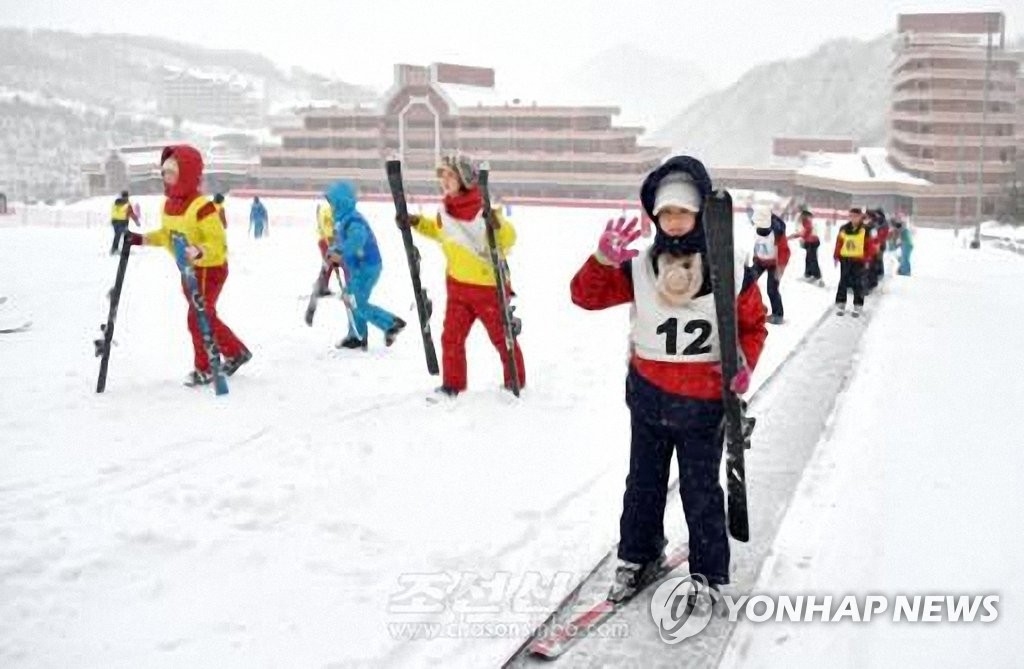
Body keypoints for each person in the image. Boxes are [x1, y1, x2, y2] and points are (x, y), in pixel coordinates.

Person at [569, 155, 768, 601]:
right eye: (666, 213)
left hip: (703, 405)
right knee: (642, 484)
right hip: (649, 399)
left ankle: (709, 574)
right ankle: (638, 556)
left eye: (683, 211)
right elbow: (584, 297)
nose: (675, 221)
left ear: (700, 212)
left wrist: (744, 364)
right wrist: (602, 259)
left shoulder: (730, 265)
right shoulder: (640, 266)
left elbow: (753, 325)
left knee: (701, 491)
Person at [398, 154, 526, 398]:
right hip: (457, 289)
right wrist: (415, 222)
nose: (444, 180)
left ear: (465, 179)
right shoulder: (445, 211)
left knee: (502, 339)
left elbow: (509, 239)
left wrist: (497, 225)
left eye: (450, 175)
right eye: (441, 175)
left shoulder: (483, 209)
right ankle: (452, 385)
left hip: (488, 290)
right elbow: (438, 232)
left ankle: (515, 382)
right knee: (451, 338)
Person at [125, 145, 252, 385]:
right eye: (164, 172)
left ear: (186, 172)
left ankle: (204, 368)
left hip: (210, 269)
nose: (166, 177)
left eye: (171, 171)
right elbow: (166, 235)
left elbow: (217, 243)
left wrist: (199, 250)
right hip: (188, 271)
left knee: (197, 318)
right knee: (204, 315)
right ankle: (236, 351)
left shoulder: (202, 207)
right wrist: (141, 239)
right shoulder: (169, 204)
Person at [323, 181, 405, 350]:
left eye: (332, 202)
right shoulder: (344, 219)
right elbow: (343, 242)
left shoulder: (353, 220)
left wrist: (340, 252)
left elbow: (357, 240)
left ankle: (391, 323)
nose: (331, 206)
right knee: (352, 298)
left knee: (355, 301)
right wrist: (334, 250)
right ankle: (357, 336)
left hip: (367, 266)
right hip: (359, 267)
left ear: (341, 201)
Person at [750, 205, 790, 324]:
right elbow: (758, 243)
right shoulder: (758, 229)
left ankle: (778, 314)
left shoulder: (777, 233)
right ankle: (756, 308)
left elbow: (785, 251)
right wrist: (755, 257)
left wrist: (780, 268)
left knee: (772, 289)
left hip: (774, 264)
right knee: (749, 283)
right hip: (760, 261)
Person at [833, 208, 870, 316]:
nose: (853, 218)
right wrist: (836, 256)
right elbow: (839, 242)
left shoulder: (865, 229)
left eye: (855, 216)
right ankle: (841, 303)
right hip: (845, 258)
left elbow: (869, 245)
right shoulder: (843, 228)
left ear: (860, 217)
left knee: (858, 283)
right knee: (843, 281)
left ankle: (858, 305)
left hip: (859, 260)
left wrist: (867, 259)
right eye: (851, 216)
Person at [788, 209, 822, 285]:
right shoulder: (804, 222)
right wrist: (792, 237)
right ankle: (808, 274)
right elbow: (802, 232)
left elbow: (807, 231)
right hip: (810, 242)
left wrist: (802, 238)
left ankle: (817, 276)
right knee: (809, 259)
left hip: (813, 242)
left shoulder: (807, 221)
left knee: (812, 260)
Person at [316, 201, 337, 297]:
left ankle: (322, 285)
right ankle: (321, 285)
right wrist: (331, 240)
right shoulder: (327, 210)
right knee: (329, 261)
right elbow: (327, 228)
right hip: (325, 239)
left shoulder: (335, 211)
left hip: (330, 239)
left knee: (330, 262)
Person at [109, 190, 139, 255]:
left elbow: (114, 211)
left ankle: (114, 249)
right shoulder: (127, 203)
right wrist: (136, 221)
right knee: (126, 235)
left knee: (118, 235)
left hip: (115, 221)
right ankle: (122, 250)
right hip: (122, 222)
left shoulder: (115, 202)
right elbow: (131, 213)